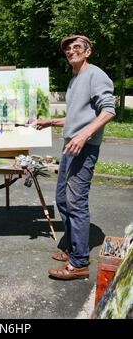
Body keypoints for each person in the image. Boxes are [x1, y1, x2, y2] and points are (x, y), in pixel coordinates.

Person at [36, 35, 115, 280]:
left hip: (85, 147)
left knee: (76, 201)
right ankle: (74, 249)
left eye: (77, 47)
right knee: (62, 198)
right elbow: (77, 118)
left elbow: (108, 110)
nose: (72, 51)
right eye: (68, 49)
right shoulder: (75, 79)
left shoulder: (96, 75)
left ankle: (79, 263)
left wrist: (84, 136)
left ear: (88, 51)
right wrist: (51, 121)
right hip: (71, 147)